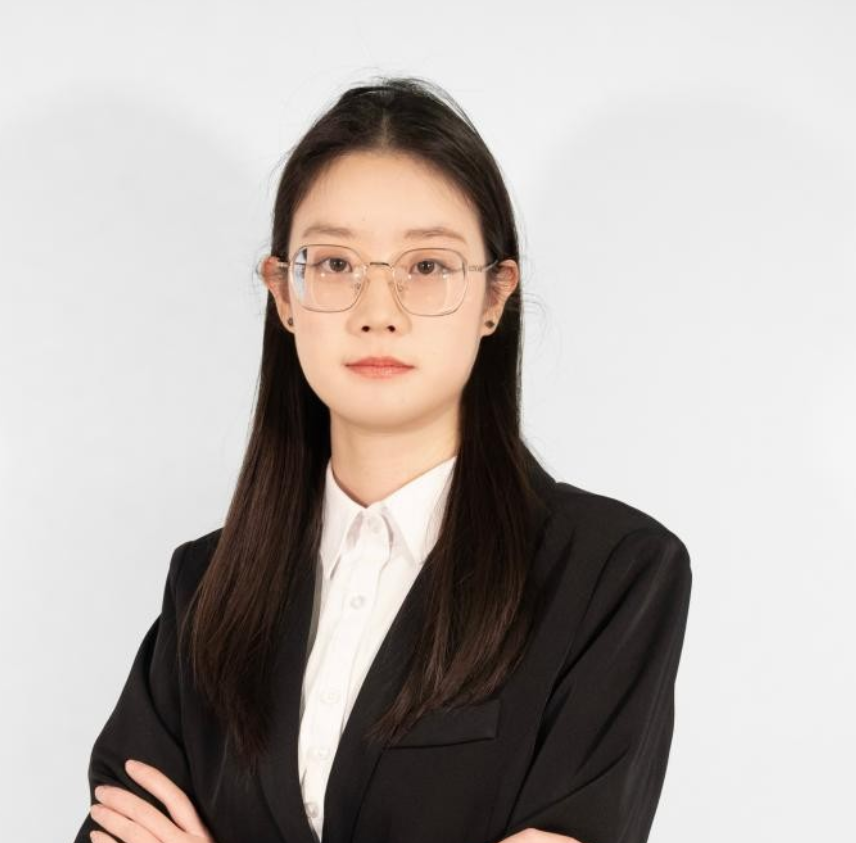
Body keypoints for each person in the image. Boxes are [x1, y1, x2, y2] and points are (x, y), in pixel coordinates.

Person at [73, 77, 693, 843]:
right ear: (284, 294)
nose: (378, 312)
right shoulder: (208, 588)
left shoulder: (610, 575)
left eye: (427, 267)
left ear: (495, 296)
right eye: (335, 264)